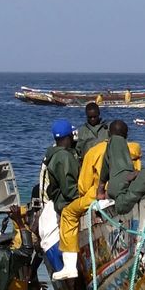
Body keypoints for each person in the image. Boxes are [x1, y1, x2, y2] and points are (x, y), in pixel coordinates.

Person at [55, 119, 118, 279]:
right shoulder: (133, 150)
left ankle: (69, 267)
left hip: (98, 193)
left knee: (68, 214)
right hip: (122, 191)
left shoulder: (95, 151)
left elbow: (83, 185)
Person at [40, 118, 79, 214]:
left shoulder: (52, 154)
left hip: (58, 202)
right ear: (70, 136)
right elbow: (69, 190)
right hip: (66, 205)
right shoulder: (64, 156)